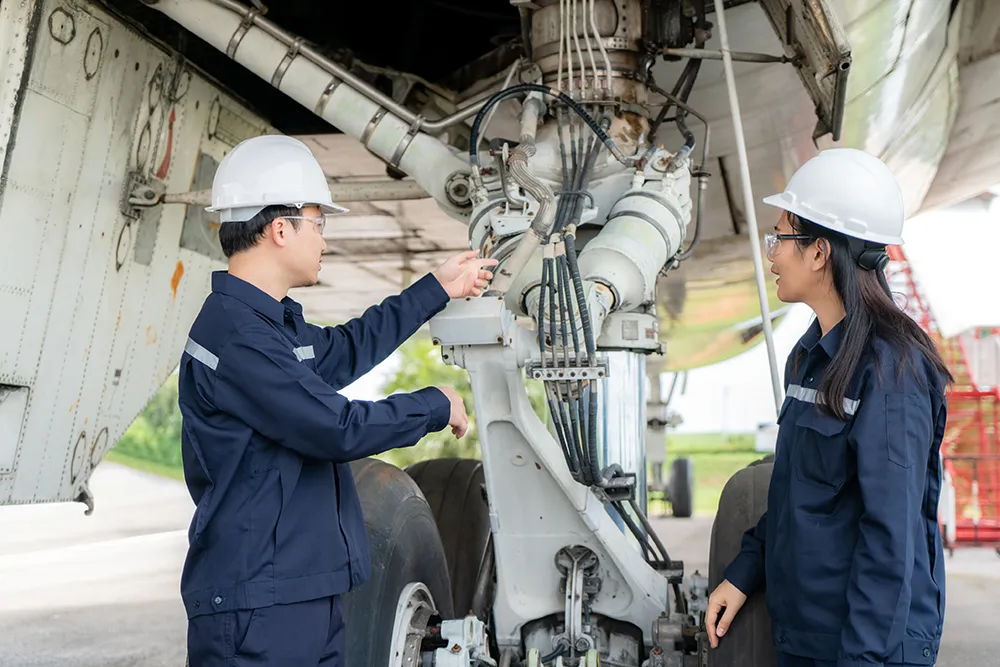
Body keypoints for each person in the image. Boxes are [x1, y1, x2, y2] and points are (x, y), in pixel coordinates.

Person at [177, 135, 496, 666]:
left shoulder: (269, 325)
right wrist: (433, 406)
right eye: (317, 222)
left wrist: (437, 288)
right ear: (281, 228)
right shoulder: (237, 339)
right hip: (258, 604)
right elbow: (336, 428)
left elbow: (346, 349)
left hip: (300, 593)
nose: (325, 237)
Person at [705, 148, 952, 667]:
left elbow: (891, 538)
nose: (772, 254)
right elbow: (798, 492)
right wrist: (745, 571)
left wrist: (862, 659)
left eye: (781, 238)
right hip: (809, 640)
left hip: (866, 648)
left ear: (819, 252)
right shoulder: (811, 356)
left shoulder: (891, 371)